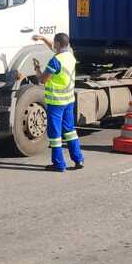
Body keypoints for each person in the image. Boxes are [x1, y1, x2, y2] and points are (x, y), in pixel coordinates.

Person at [30, 32, 85, 172]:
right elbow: (54, 48)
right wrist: (42, 39)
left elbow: (43, 80)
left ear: (59, 44)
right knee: (70, 130)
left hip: (56, 102)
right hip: (69, 100)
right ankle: (78, 159)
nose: (53, 45)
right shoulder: (70, 56)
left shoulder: (55, 61)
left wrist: (37, 69)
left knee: (55, 134)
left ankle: (59, 164)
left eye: (55, 43)